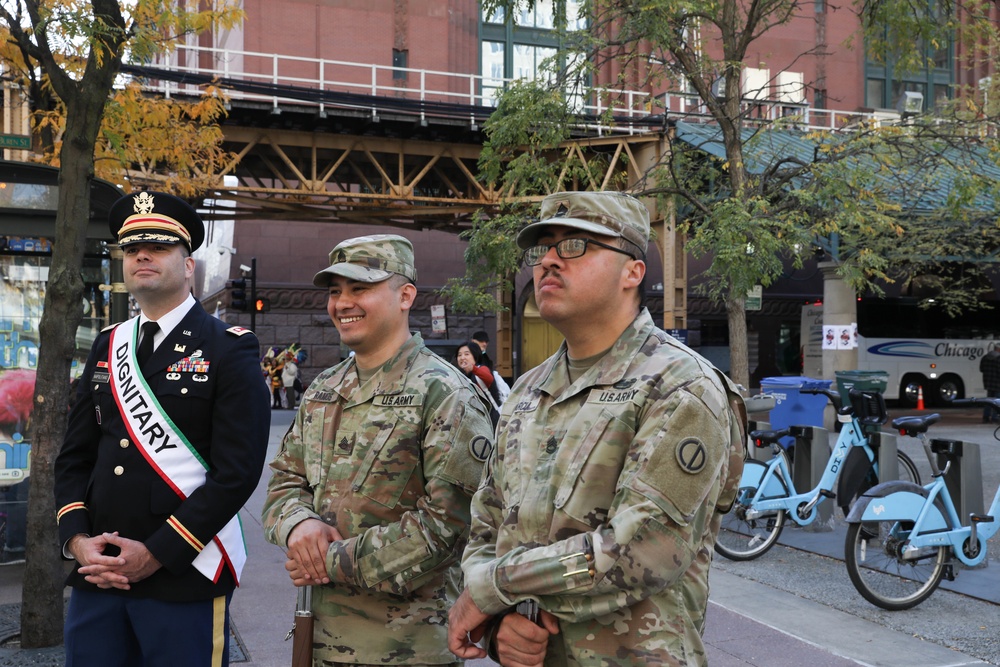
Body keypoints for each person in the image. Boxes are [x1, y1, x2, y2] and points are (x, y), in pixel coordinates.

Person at [447, 191, 747, 666]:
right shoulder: (528, 390)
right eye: (543, 248)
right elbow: (488, 520)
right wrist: (502, 619)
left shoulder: (680, 387)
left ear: (632, 271)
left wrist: (492, 589)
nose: (547, 260)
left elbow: (642, 550)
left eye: (576, 245)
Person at [54, 190, 271, 666]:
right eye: (131, 249)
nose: (142, 256)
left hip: (184, 574)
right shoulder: (109, 344)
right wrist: (76, 539)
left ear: (188, 264)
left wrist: (156, 553)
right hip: (100, 573)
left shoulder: (229, 348)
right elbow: (75, 456)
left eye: (157, 246)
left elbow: (237, 473)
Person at [261, 234, 494, 666]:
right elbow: (285, 482)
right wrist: (298, 526)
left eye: (360, 288)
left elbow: (449, 527)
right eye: (335, 291)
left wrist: (329, 561)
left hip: (410, 648)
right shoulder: (325, 389)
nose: (342, 303)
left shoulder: (446, 393)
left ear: (406, 295)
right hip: (319, 637)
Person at [456, 340, 502, 409]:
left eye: (466, 354)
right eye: (459, 355)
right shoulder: (462, 376)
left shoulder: (481, 369)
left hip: (491, 417)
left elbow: (489, 378)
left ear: (475, 356)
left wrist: (473, 368)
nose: (462, 358)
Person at [471, 330, 511, 403]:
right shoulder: (469, 357)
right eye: (481, 341)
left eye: (486, 341)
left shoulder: (485, 359)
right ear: (473, 341)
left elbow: (489, 379)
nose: (484, 344)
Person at [979, 342, 1000, 422]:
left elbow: (981, 369)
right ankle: (995, 417)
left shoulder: (985, 357)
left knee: (988, 401)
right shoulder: (999, 358)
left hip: (988, 383)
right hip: (998, 384)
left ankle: (986, 417)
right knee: (997, 402)